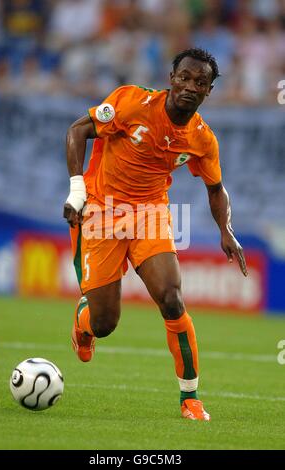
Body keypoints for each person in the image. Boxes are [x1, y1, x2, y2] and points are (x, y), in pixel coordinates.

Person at [63, 48, 247, 422]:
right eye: (184, 77)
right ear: (171, 78)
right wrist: (77, 191)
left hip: (150, 214)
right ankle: (85, 324)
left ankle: (190, 397)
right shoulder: (131, 102)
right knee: (105, 323)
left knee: (172, 298)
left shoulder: (201, 139)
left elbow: (216, 188)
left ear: (209, 91)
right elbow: (78, 130)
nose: (190, 87)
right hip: (101, 211)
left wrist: (226, 231)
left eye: (200, 82)